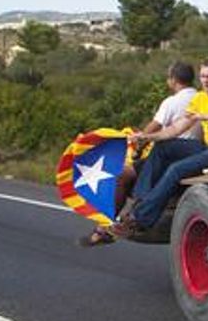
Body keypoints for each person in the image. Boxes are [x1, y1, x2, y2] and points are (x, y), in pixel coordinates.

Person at [106, 58, 208, 239]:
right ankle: (141, 200)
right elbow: (176, 128)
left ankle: (138, 220)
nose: (205, 81)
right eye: (203, 76)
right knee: (163, 147)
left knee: (176, 169)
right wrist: (147, 136)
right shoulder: (199, 98)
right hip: (207, 147)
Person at [78, 61, 199, 247]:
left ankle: (106, 227)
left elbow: (151, 130)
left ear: (173, 80)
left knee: (121, 176)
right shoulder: (201, 98)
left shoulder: (172, 102)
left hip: (170, 154)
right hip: (194, 152)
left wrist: (137, 139)